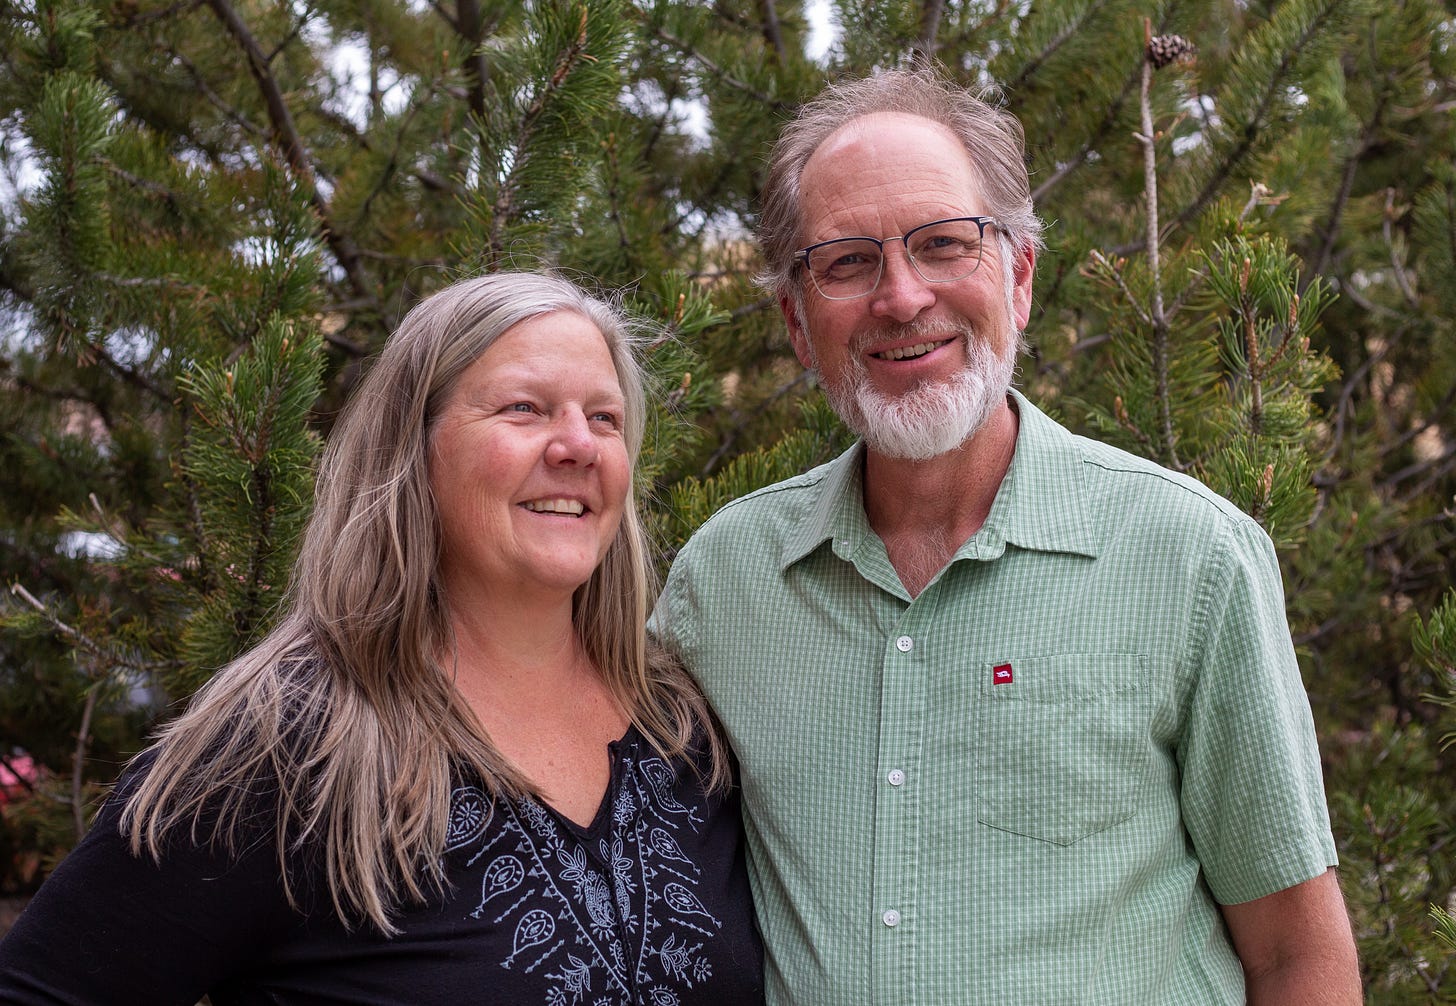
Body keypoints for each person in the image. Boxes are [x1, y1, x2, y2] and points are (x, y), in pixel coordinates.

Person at [652, 69, 1360, 1004]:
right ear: (795, 320)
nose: (902, 297)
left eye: (944, 244)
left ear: (1019, 276)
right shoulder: (726, 582)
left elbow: (1294, 954)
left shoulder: (1188, 557)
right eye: (848, 263)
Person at [0, 272, 764, 1005]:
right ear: (413, 447)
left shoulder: (680, 728)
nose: (578, 445)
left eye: (604, 418)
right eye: (525, 408)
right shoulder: (285, 746)